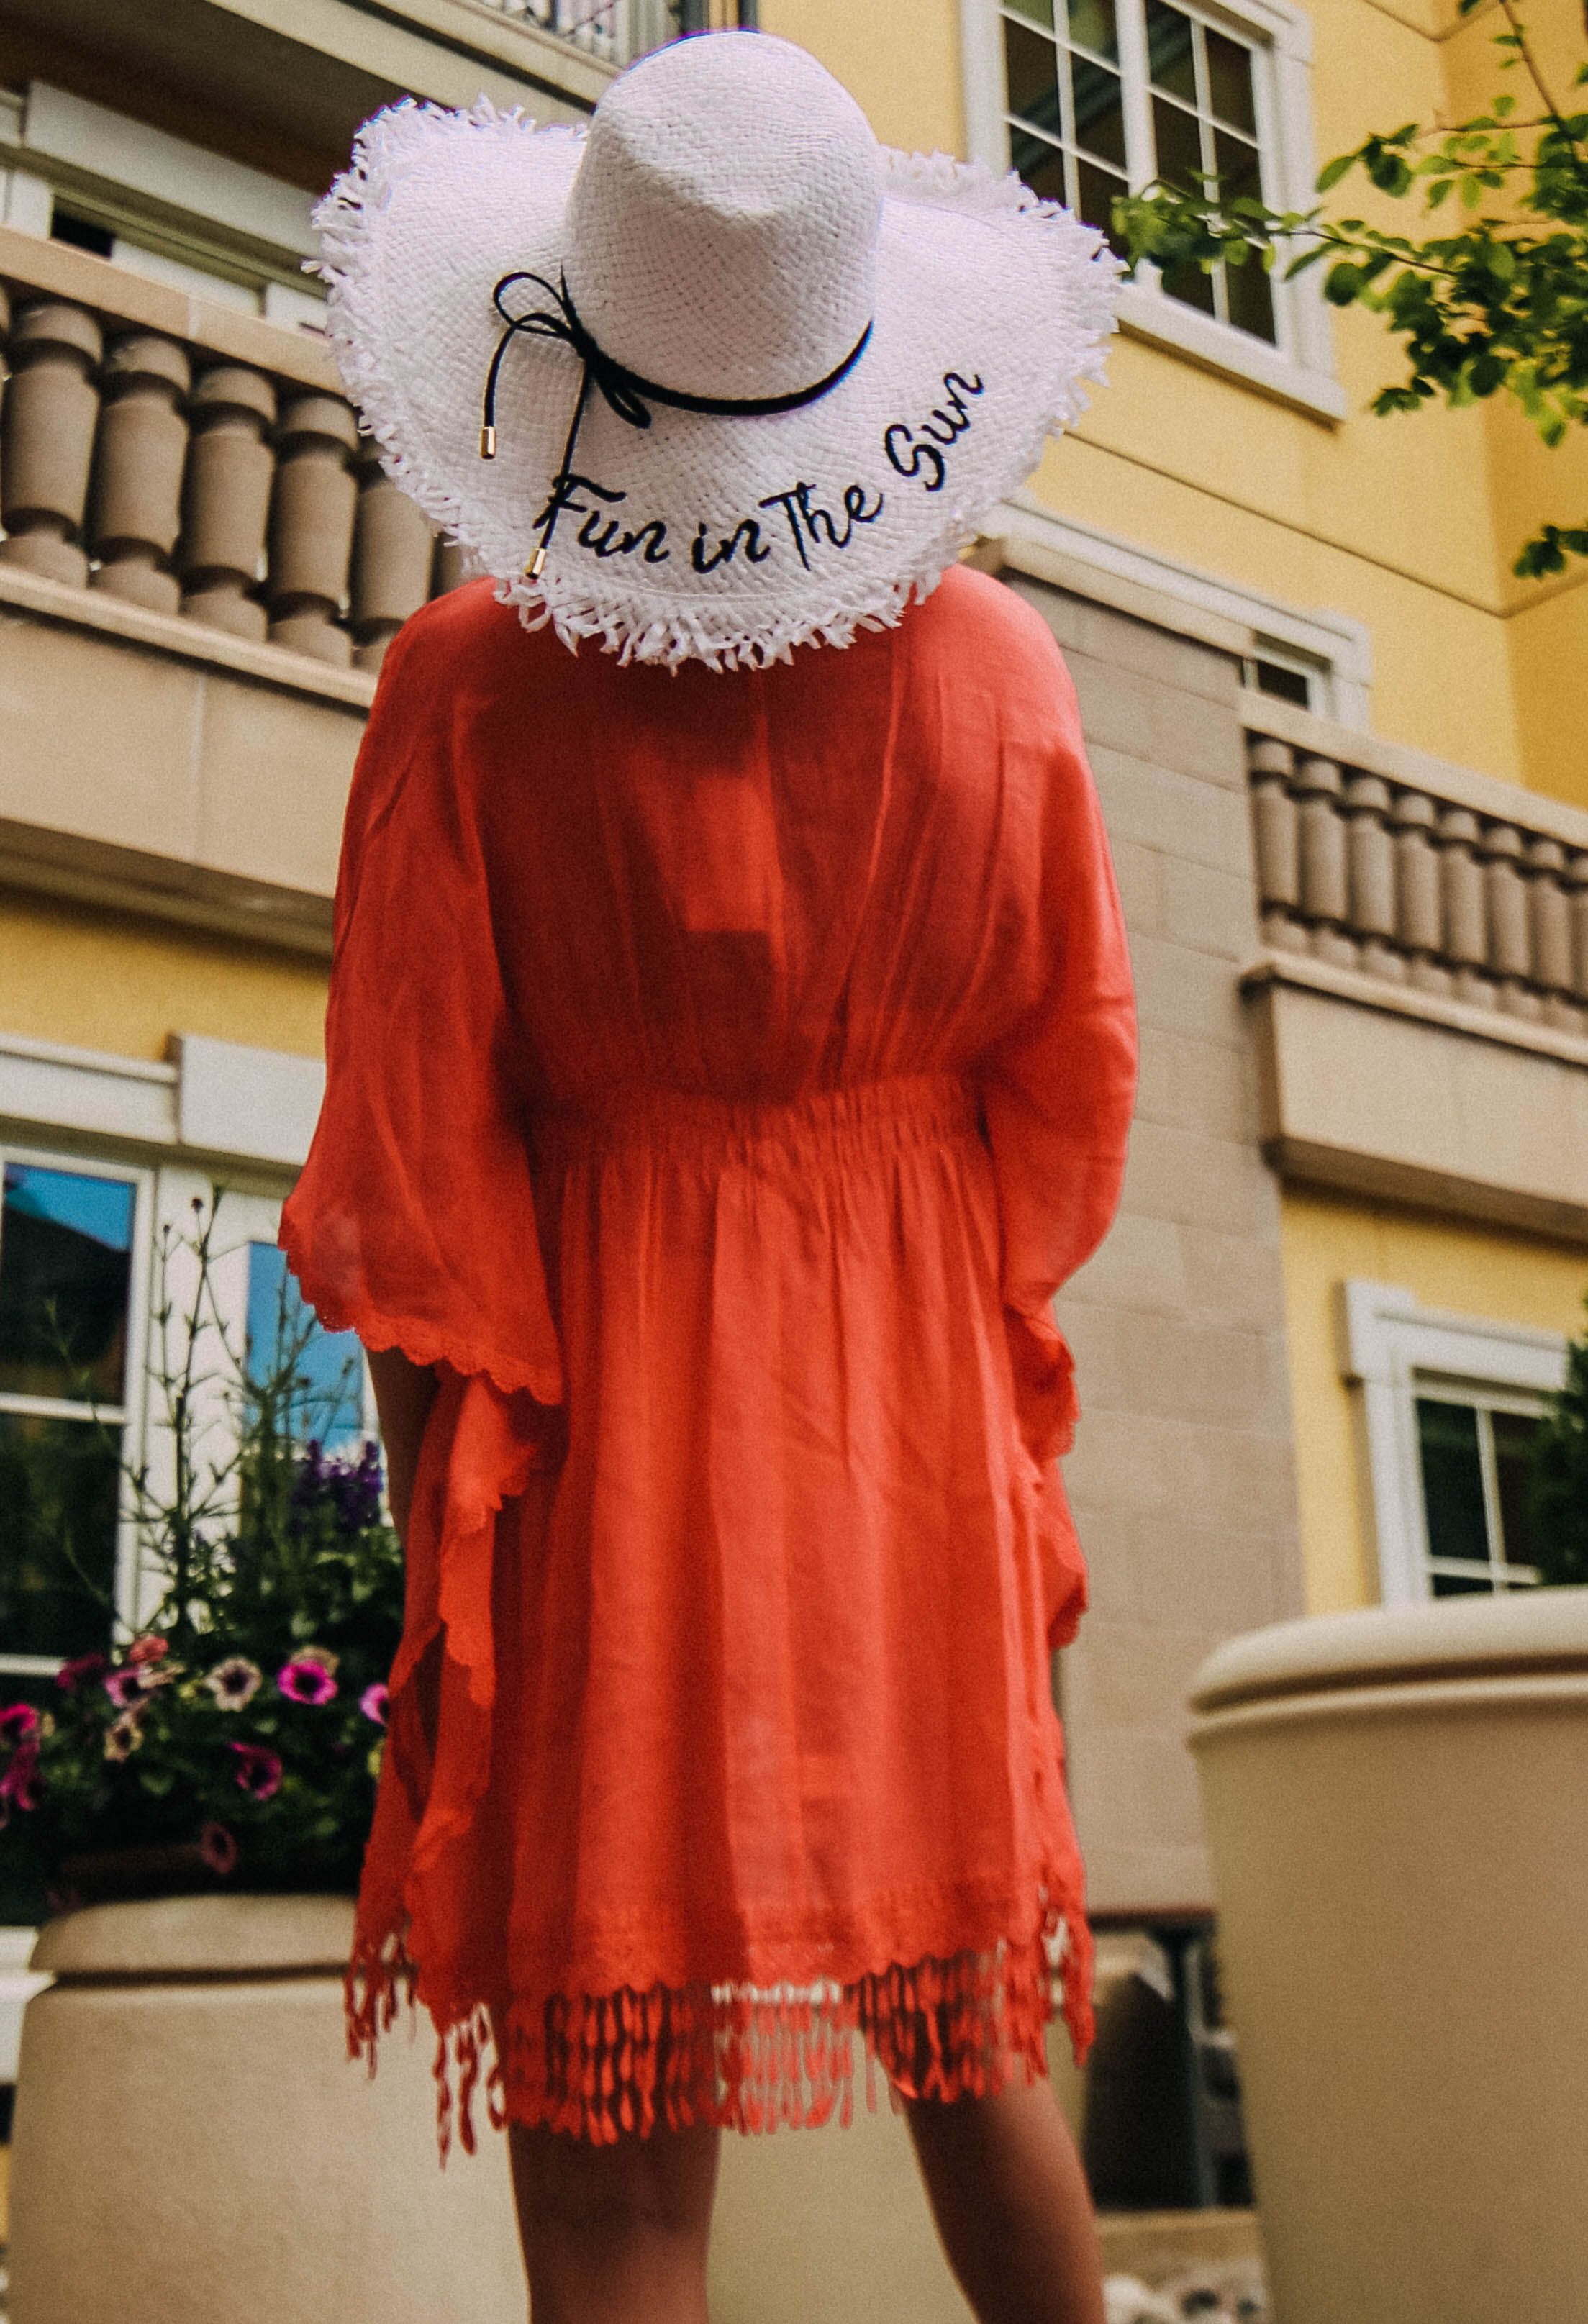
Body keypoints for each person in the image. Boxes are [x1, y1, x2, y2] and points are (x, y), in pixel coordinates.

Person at [281, 29, 1137, 2324]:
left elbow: (412, 1169)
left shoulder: (466, 686)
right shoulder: (1011, 676)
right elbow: (1070, 1085)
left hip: (601, 1428)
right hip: (907, 1420)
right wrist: (948, 1328)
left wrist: (447, 1545)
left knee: (618, 2166)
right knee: (976, 2063)